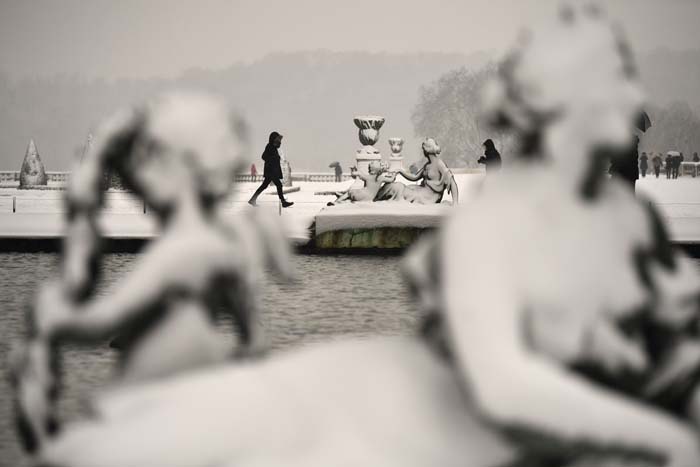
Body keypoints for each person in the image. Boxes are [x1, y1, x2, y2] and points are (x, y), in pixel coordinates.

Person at [374, 138, 459, 204]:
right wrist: (400, 171)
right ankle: (376, 198)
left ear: (427, 150)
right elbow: (415, 177)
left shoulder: (439, 164)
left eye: (423, 149)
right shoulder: (427, 165)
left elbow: (452, 182)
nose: (423, 151)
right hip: (421, 191)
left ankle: (375, 198)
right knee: (397, 187)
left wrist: (455, 203)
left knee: (398, 188)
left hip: (428, 197)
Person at [248, 132, 293, 207]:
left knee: (264, 186)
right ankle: (283, 202)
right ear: (273, 139)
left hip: (272, 171)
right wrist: (273, 159)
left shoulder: (273, 147)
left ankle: (253, 199)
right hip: (271, 171)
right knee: (279, 185)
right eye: (277, 139)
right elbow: (263, 156)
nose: (279, 141)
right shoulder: (269, 146)